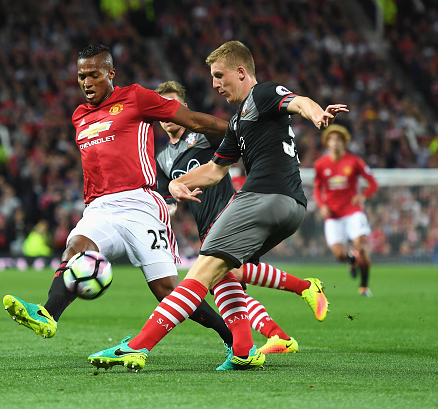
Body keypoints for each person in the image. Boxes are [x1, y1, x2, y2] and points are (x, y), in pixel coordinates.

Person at [89, 40, 348, 371]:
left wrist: (316, 113)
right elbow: (214, 170)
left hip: (260, 199)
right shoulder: (237, 122)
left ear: (241, 72)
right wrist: (178, 183)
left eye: (219, 75)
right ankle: (242, 349)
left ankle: (138, 346)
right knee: (226, 271)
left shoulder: (261, 94)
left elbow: (297, 102)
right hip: (291, 208)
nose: (214, 84)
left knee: (199, 275)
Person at [2, 43, 238, 350]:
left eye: (93, 75)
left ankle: (231, 338)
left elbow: (193, 120)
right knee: (75, 249)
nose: (86, 82)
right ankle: (48, 314)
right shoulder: (79, 116)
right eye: (81, 76)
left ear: (110, 73)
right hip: (99, 208)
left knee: (167, 290)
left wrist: (239, 130)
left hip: (140, 204)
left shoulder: (136, 97)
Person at [155, 80, 336, 354]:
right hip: (205, 223)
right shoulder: (164, 159)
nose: (168, 115)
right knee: (227, 288)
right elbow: (170, 202)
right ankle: (276, 336)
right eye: (162, 110)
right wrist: (167, 210)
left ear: (184, 108)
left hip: (230, 213)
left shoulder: (203, 134)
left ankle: (302, 289)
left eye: (173, 107)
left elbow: (234, 139)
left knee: (228, 275)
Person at [314, 124, 378, 296]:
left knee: (360, 246)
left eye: (339, 140)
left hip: (353, 211)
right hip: (333, 216)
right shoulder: (320, 164)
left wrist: (362, 196)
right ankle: (351, 260)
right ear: (327, 143)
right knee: (339, 254)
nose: (335, 143)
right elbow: (317, 188)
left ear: (344, 142)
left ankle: (364, 286)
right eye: (332, 140)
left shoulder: (354, 161)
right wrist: (322, 205)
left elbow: (373, 183)